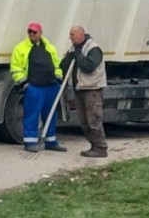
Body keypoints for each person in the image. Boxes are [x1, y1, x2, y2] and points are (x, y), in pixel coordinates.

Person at [10, 21, 65, 152]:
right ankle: (30, 142)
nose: (31, 34)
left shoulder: (49, 47)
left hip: (51, 86)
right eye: (29, 31)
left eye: (34, 32)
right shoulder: (20, 48)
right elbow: (15, 68)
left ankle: (51, 141)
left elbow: (57, 64)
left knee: (51, 114)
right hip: (34, 87)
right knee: (32, 114)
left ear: (40, 33)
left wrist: (58, 78)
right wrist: (25, 84)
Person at [66, 25, 108, 158]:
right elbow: (64, 65)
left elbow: (88, 66)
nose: (70, 37)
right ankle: (93, 145)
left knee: (93, 119)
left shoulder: (93, 49)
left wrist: (77, 56)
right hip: (79, 88)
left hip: (92, 89)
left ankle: (100, 147)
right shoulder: (74, 49)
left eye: (72, 34)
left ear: (81, 35)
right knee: (83, 121)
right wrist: (69, 57)